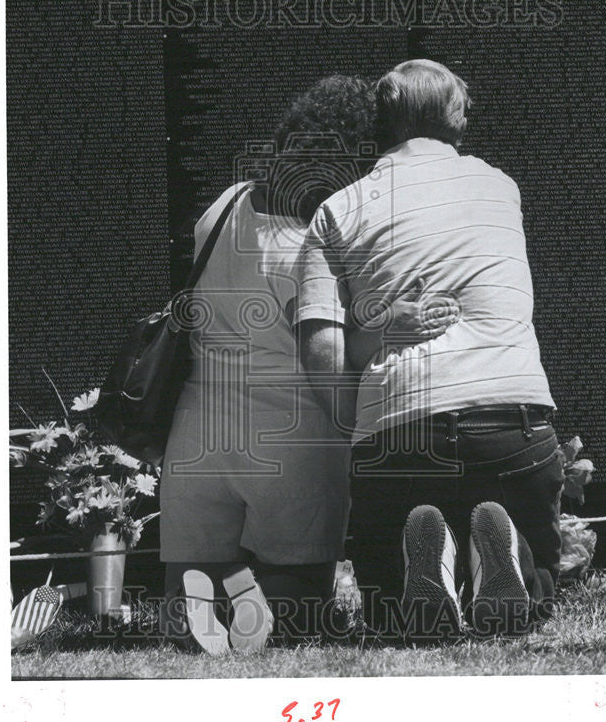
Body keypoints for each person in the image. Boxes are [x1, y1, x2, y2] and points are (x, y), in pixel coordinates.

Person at [159, 74, 451, 654]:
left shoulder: (226, 204)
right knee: (295, 622)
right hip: (290, 443)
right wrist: (392, 325)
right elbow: (324, 351)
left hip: (195, 439)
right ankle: (265, 615)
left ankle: (210, 611)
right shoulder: (307, 245)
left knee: (185, 619)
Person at [294, 58, 563, 641]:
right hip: (512, 430)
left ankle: (423, 563)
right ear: (455, 117)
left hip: (399, 437)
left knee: (390, 606)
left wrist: (353, 424)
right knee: (541, 581)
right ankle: (507, 549)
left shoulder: (334, 212)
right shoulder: (501, 187)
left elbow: (320, 352)